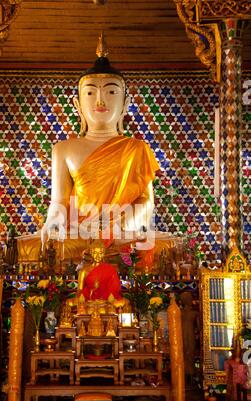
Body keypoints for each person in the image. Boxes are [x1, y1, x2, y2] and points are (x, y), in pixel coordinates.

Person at [17, 33, 175, 268]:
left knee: (166, 244)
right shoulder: (64, 149)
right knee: (31, 246)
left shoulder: (136, 148)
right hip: (80, 231)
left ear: (125, 103)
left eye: (111, 92)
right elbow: (59, 200)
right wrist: (52, 223)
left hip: (122, 232)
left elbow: (146, 201)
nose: (100, 100)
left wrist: (120, 225)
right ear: (77, 104)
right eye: (90, 92)